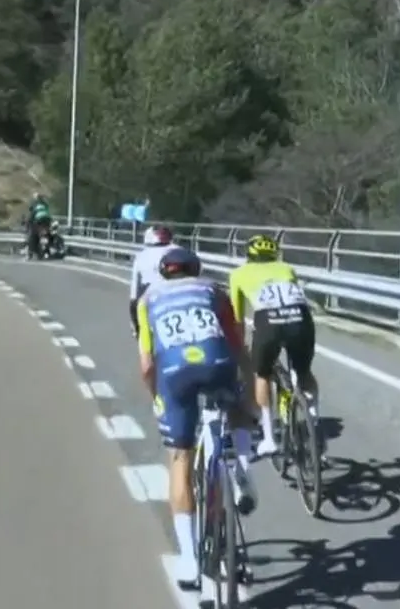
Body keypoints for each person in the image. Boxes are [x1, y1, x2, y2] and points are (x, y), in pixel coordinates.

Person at [136, 247, 258, 588]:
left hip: (175, 372)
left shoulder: (147, 300)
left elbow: (147, 364)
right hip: (217, 363)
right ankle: (241, 473)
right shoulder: (211, 289)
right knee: (236, 411)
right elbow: (237, 344)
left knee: (181, 462)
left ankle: (189, 563)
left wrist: (157, 398)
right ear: (195, 269)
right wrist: (249, 400)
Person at [227, 234, 319, 457]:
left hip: (269, 323)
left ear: (248, 255)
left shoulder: (238, 274)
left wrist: (240, 347)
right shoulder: (287, 269)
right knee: (304, 372)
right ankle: (314, 428)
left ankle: (269, 438)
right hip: (301, 319)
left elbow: (237, 318)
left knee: (262, 375)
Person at [127, 226, 177, 336]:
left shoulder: (141, 256)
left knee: (143, 334)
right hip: (177, 295)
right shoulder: (179, 250)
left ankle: (138, 332)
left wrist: (134, 323)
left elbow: (135, 289)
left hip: (151, 298)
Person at [24, 193, 52, 260]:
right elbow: (47, 211)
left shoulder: (35, 204)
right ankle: (47, 251)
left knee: (33, 235)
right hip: (47, 220)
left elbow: (32, 215)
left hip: (39, 221)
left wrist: (28, 222)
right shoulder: (45, 204)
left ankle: (30, 253)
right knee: (48, 233)